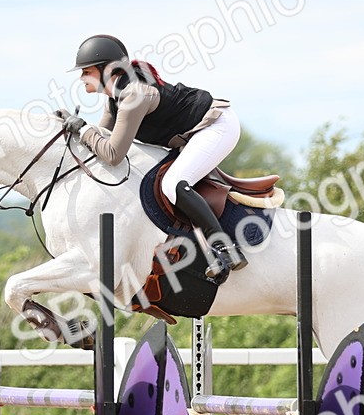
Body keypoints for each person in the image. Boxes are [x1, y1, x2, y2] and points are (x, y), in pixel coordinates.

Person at [57, 34, 247, 276]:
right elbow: (102, 139)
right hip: (193, 134)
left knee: (173, 184)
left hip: (216, 125)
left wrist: (83, 129)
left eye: (86, 71)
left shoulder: (134, 94)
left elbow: (113, 154)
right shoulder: (114, 98)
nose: (81, 77)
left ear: (108, 70)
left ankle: (225, 248)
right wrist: (73, 131)